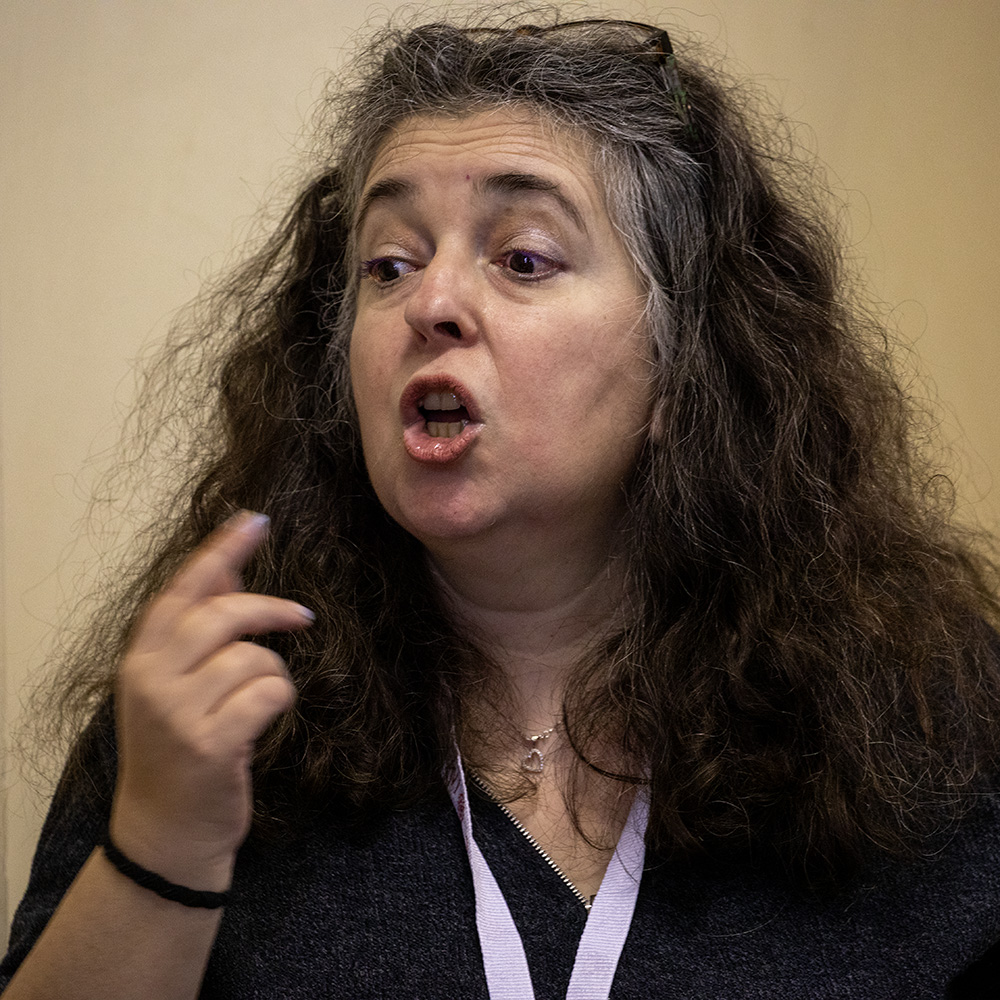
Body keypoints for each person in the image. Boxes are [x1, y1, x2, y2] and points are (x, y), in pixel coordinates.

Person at [3, 12, 1000, 999]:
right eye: (388, 266)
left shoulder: (931, 725)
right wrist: (164, 841)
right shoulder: (219, 704)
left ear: (681, 367)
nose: (430, 302)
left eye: (523, 257)